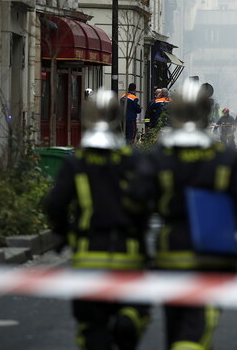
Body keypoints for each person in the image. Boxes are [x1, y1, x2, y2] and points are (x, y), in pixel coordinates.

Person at [131, 79, 237, 350]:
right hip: (213, 252)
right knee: (199, 319)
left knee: (174, 317)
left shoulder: (160, 156)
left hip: (170, 248)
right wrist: (225, 227)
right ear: (205, 113)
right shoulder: (225, 157)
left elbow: (138, 198)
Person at [44, 89, 150, 350]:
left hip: (88, 250)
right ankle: (129, 317)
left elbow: (54, 204)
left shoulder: (77, 162)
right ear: (118, 117)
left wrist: (64, 232)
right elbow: (148, 199)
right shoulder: (132, 159)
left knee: (91, 322)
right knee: (136, 305)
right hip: (128, 249)